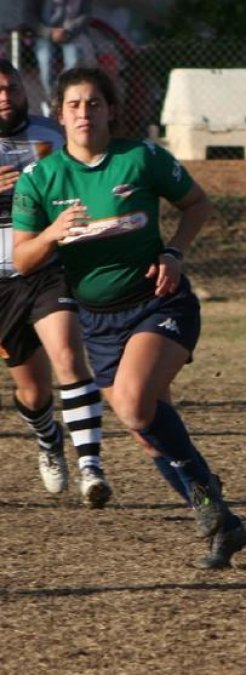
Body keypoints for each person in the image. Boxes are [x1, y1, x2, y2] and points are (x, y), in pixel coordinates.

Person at [11, 67, 246, 569]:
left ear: (111, 109)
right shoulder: (42, 177)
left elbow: (198, 205)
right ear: (59, 114)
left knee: (137, 408)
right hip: (98, 321)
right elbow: (25, 257)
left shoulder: (141, 157)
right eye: (73, 105)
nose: (84, 113)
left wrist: (174, 253)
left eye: (94, 103)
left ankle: (205, 494)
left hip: (159, 303)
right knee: (146, 431)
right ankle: (220, 524)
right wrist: (52, 233)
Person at [0, 57, 108, 505]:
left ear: (26, 89)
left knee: (67, 355)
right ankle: (49, 441)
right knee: (32, 390)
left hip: (46, 268)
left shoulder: (51, 134)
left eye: (11, 88)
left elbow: (84, 175)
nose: (5, 98)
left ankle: (91, 468)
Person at [34, 0, 91, 115]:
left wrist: (68, 30)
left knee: (74, 61)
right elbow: (30, 18)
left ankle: (64, 95)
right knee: (46, 62)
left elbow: (86, 15)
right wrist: (49, 32)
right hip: (45, 36)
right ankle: (52, 101)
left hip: (70, 35)